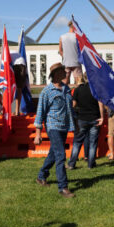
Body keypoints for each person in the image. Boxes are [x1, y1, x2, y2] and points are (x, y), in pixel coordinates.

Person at [34, 63, 76, 198]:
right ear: (57, 74)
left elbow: (70, 109)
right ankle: (63, 187)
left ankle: (41, 176)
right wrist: (38, 133)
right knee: (60, 155)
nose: (66, 72)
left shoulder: (66, 89)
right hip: (53, 127)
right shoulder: (47, 91)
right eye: (63, 71)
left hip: (64, 126)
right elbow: (40, 112)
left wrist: (74, 124)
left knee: (53, 153)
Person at [67, 74, 105, 170]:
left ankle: (71, 164)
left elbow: (73, 105)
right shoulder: (96, 90)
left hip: (81, 118)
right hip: (95, 118)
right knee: (93, 143)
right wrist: (102, 117)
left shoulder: (78, 90)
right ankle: (90, 164)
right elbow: (100, 105)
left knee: (77, 142)